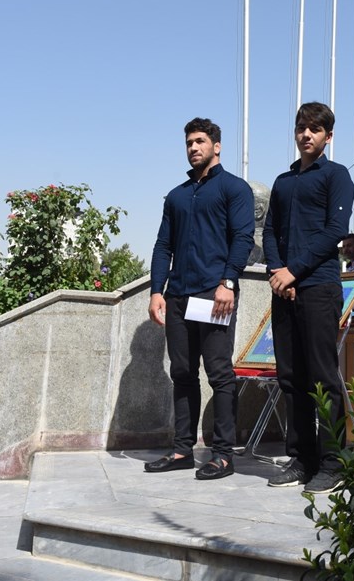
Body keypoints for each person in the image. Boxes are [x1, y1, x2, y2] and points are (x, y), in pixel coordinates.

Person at [146, 117, 254, 480]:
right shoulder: (176, 196)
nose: (193, 147)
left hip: (214, 293)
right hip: (178, 295)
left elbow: (243, 238)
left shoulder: (233, 188)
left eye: (200, 141)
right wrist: (156, 291)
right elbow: (163, 246)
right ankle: (182, 450)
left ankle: (223, 455)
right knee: (182, 373)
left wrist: (228, 282)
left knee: (219, 373)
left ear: (216, 146)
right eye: (189, 142)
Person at [262, 102, 354, 494]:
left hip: (319, 287)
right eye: (301, 127)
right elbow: (270, 230)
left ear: (328, 136)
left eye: (315, 129)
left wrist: (294, 271)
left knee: (322, 376)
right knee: (290, 377)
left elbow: (335, 230)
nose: (306, 134)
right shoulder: (283, 182)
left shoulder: (336, 175)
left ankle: (333, 462)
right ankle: (302, 459)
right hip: (284, 289)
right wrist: (277, 271)